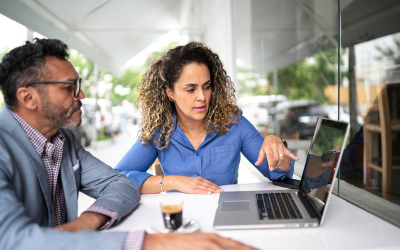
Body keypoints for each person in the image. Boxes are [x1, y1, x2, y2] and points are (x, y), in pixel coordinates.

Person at [0, 38, 256, 250]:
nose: (82, 95)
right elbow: (13, 241)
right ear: (28, 97)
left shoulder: (63, 140)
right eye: (70, 87)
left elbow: (120, 184)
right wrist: (150, 242)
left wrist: (84, 224)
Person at [115, 42, 299, 195]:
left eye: (207, 86)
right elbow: (118, 178)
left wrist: (276, 144)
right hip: (182, 223)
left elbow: (278, 175)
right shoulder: (159, 130)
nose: (202, 97)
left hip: (227, 219)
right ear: (170, 92)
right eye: (191, 89)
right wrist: (175, 182)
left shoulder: (234, 123)